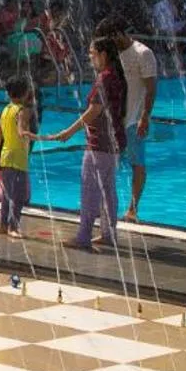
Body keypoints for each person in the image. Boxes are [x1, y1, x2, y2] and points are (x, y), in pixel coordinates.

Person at [38, 36, 127, 251]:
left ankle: (84, 237)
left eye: (92, 53)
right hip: (114, 143)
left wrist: (68, 132)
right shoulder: (117, 76)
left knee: (90, 191)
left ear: (103, 55)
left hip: (99, 144)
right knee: (108, 190)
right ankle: (108, 234)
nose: (89, 57)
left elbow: (94, 110)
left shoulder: (104, 78)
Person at [96, 17, 159, 222]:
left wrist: (145, 117)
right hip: (115, 119)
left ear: (119, 33)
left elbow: (151, 89)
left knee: (137, 163)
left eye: (111, 37)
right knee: (107, 162)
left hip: (134, 119)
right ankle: (104, 205)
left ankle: (132, 208)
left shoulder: (143, 53)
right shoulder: (113, 55)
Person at [0, 77, 37, 238]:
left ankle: (3, 226)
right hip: (18, 159)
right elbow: (22, 132)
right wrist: (43, 137)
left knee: (7, 194)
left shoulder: (6, 110)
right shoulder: (22, 111)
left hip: (5, 156)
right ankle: (13, 227)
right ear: (26, 93)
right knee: (20, 196)